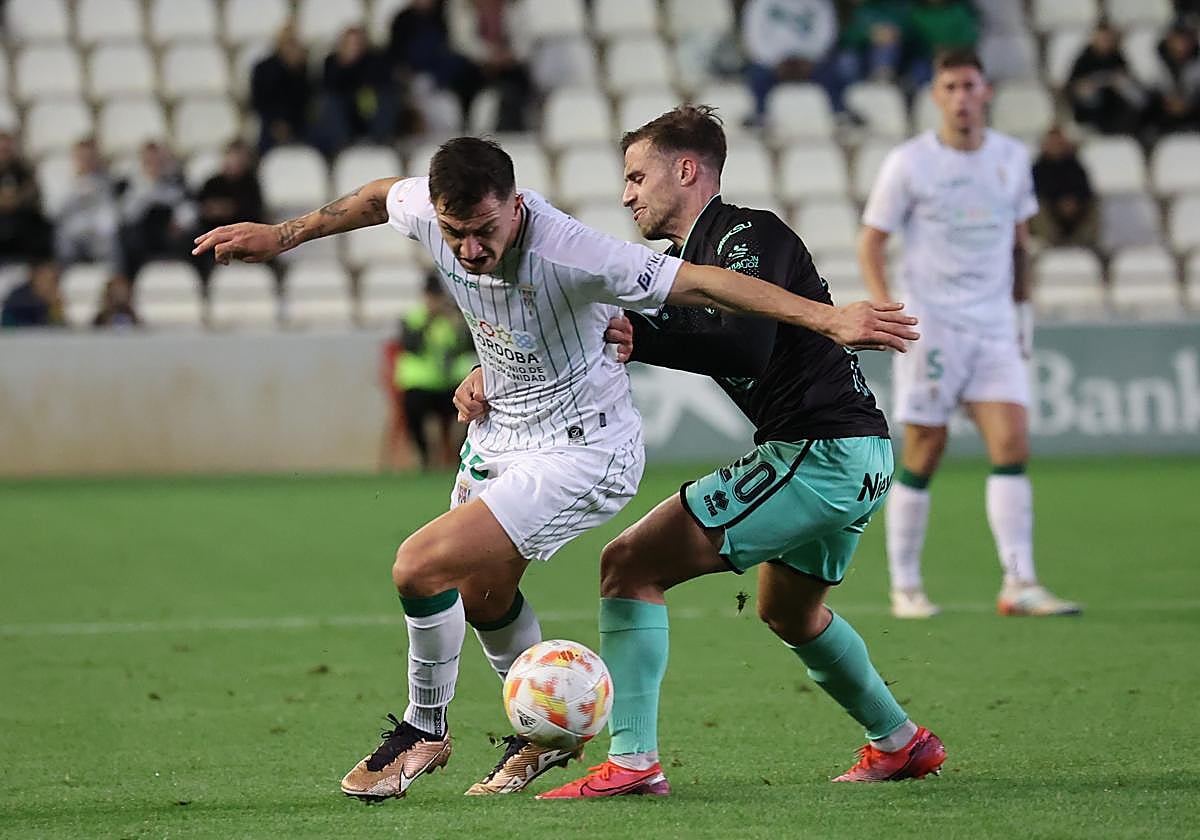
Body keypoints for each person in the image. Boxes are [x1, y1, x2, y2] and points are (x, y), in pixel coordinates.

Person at [192, 136, 919, 801]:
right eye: (456, 235)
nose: (471, 251)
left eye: (485, 230)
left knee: (504, 567)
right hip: (519, 433)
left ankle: (467, 735)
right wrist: (281, 236)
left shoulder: (596, 247)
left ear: (516, 204)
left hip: (663, 448)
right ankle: (899, 742)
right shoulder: (430, 214)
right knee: (496, 594)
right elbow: (381, 194)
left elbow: (707, 292)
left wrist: (831, 319)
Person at [435, 105, 941, 798]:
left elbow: (744, 344)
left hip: (819, 451)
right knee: (790, 614)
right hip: (849, 456)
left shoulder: (745, 235)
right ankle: (901, 741)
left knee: (630, 564)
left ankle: (634, 762)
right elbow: (589, 336)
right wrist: (488, 374)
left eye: (637, 176)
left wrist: (645, 337)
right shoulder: (676, 269)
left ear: (687, 169)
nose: (627, 194)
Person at [857, 49, 1081, 619]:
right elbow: (872, 240)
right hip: (934, 327)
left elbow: (1020, 244)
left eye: (969, 86)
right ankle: (905, 586)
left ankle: (1019, 582)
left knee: (1012, 445)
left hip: (996, 326)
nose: (961, 97)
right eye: (950, 87)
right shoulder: (910, 162)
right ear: (936, 95)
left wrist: (1023, 315)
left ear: (986, 93)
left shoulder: (1009, 158)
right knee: (925, 448)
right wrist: (886, 306)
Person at [395, 273, 474, 469]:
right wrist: (428, 321)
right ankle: (425, 456)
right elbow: (410, 345)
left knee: (474, 408)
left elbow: (472, 347)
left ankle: (459, 456)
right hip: (422, 386)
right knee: (412, 408)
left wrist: (459, 326)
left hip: (451, 385)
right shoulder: (413, 318)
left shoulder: (455, 318)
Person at [192, 140, 264, 282]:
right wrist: (218, 210)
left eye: (239, 158)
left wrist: (228, 210)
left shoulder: (251, 184)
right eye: (232, 157)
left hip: (243, 236)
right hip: (213, 234)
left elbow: (254, 212)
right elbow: (201, 209)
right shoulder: (212, 183)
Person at [1066, 23, 1144, 135]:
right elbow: (1074, 87)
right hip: (1091, 111)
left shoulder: (1118, 58)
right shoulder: (1083, 60)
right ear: (1094, 39)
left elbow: (1127, 79)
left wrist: (1118, 82)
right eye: (1102, 39)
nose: (1105, 43)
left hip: (1115, 107)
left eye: (1108, 39)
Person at [55, 137, 120, 268]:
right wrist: (75, 191)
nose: (86, 162)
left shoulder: (106, 181)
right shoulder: (64, 183)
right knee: (63, 238)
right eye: (82, 157)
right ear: (75, 158)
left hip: (99, 235)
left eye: (90, 157)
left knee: (112, 237)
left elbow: (109, 213)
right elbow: (56, 211)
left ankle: (112, 275)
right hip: (73, 235)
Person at [1030, 125, 1098, 249]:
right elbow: (1037, 191)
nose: (1055, 145)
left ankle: (1085, 243)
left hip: (1076, 212)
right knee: (1036, 206)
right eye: (1052, 142)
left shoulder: (1075, 166)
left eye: (1058, 142)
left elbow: (1084, 190)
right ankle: (1052, 243)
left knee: (1095, 202)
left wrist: (1075, 201)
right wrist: (1058, 203)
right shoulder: (1037, 168)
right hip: (1050, 213)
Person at [250, 23, 314, 153]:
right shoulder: (263, 67)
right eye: (287, 41)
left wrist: (295, 70)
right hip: (271, 123)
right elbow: (259, 100)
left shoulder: (302, 69)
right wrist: (276, 123)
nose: (290, 46)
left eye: (293, 42)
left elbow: (305, 100)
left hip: (298, 123)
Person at [0, 131, 53, 265]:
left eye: (7, 150)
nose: (4, 154)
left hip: (22, 223)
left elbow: (32, 191)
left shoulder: (23, 169)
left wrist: (15, 200)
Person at [1, 260, 65, 328]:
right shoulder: (18, 299)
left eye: (54, 281)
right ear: (35, 277)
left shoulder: (57, 301)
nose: (50, 286)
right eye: (45, 279)